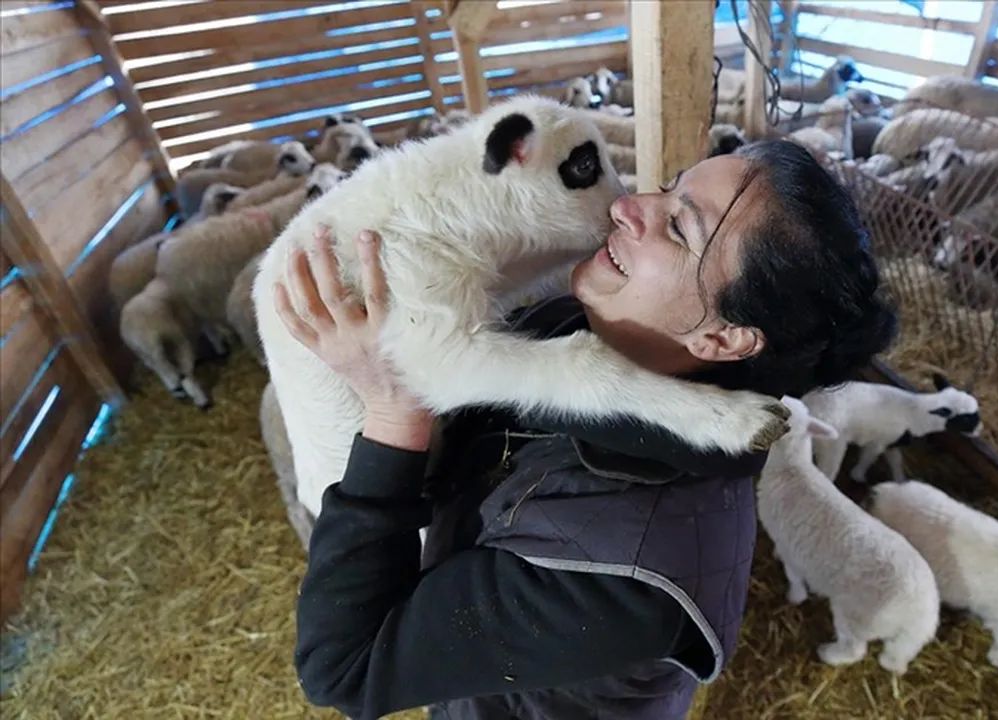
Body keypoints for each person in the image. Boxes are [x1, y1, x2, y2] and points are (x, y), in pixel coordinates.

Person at [274, 139, 898, 720]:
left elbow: (343, 667)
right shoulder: (571, 324)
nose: (627, 205)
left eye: (679, 227)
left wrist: (392, 411)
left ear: (722, 337)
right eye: (666, 187)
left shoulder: (622, 580)